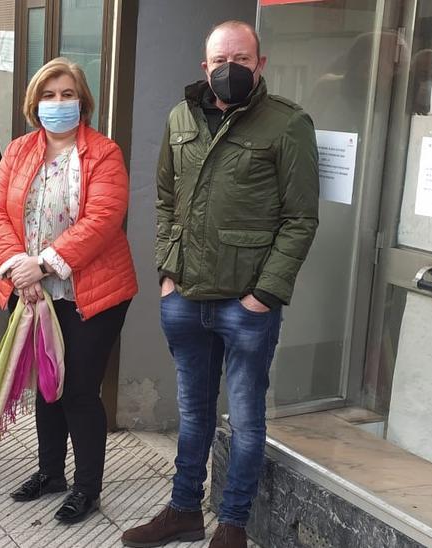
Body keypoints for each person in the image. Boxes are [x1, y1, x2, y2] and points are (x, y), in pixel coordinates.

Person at [121, 21, 319, 548]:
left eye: (241, 57)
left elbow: (301, 219)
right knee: (192, 413)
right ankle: (183, 510)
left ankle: (232, 523)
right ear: (204, 66)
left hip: (246, 303)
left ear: (261, 64)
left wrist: (264, 295)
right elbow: (164, 199)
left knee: (248, 418)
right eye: (219, 59)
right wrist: (167, 274)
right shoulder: (181, 115)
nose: (230, 67)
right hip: (185, 296)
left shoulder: (288, 124)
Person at [0, 57, 135, 525]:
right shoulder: (19, 150)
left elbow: (103, 219)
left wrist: (41, 263)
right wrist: (17, 268)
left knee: (79, 391)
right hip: (31, 291)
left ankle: (88, 487)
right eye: (49, 95)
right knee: (47, 386)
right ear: (34, 104)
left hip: (91, 291)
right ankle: (51, 474)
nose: (58, 103)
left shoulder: (103, 152)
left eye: (67, 94)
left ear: (83, 101)